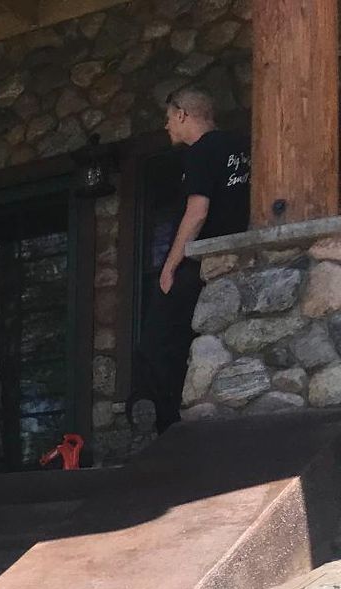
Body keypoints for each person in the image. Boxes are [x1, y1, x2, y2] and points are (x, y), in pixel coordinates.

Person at [134, 87, 252, 434]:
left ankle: (164, 423)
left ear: (182, 114)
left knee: (157, 342)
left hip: (203, 262)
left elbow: (197, 212)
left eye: (169, 118)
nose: (167, 126)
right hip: (236, 260)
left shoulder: (201, 151)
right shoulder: (242, 146)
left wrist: (170, 266)